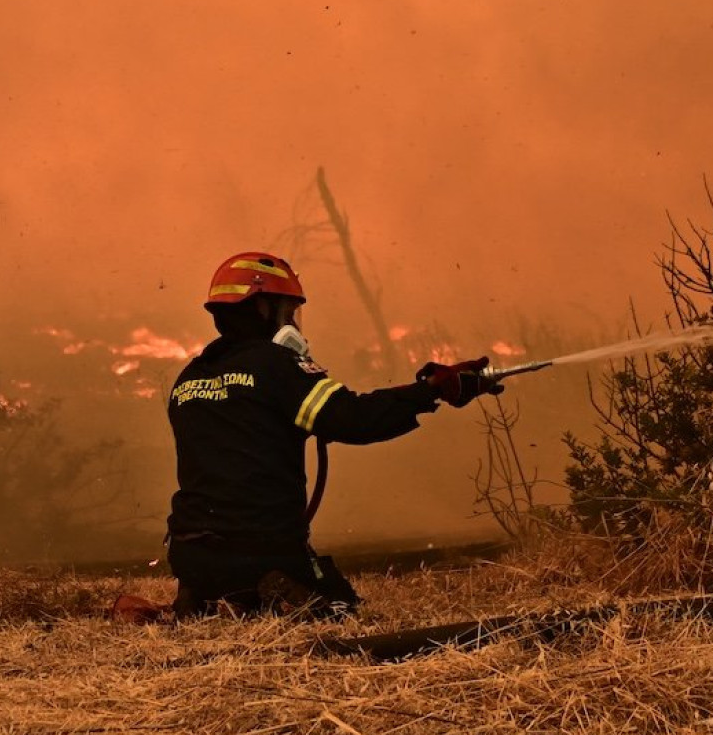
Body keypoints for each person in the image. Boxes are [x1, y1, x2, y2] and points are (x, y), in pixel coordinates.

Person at [165, 251, 501, 618]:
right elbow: (352, 419)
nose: (291, 322)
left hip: (190, 554)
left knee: (233, 590)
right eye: (287, 311)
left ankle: (206, 596)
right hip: (259, 549)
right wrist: (434, 389)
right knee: (342, 611)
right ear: (261, 308)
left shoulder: (190, 378)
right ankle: (277, 592)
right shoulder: (275, 365)